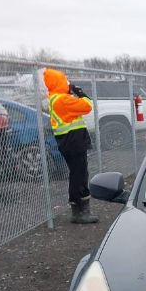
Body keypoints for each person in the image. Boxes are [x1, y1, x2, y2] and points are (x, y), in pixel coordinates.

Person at [43, 68, 98, 224]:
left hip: (69, 141)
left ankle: (78, 209)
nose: (68, 84)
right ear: (58, 83)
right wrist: (80, 93)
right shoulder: (62, 99)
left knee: (77, 174)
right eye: (65, 81)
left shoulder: (55, 98)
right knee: (79, 175)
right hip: (73, 141)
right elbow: (87, 106)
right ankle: (80, 212)